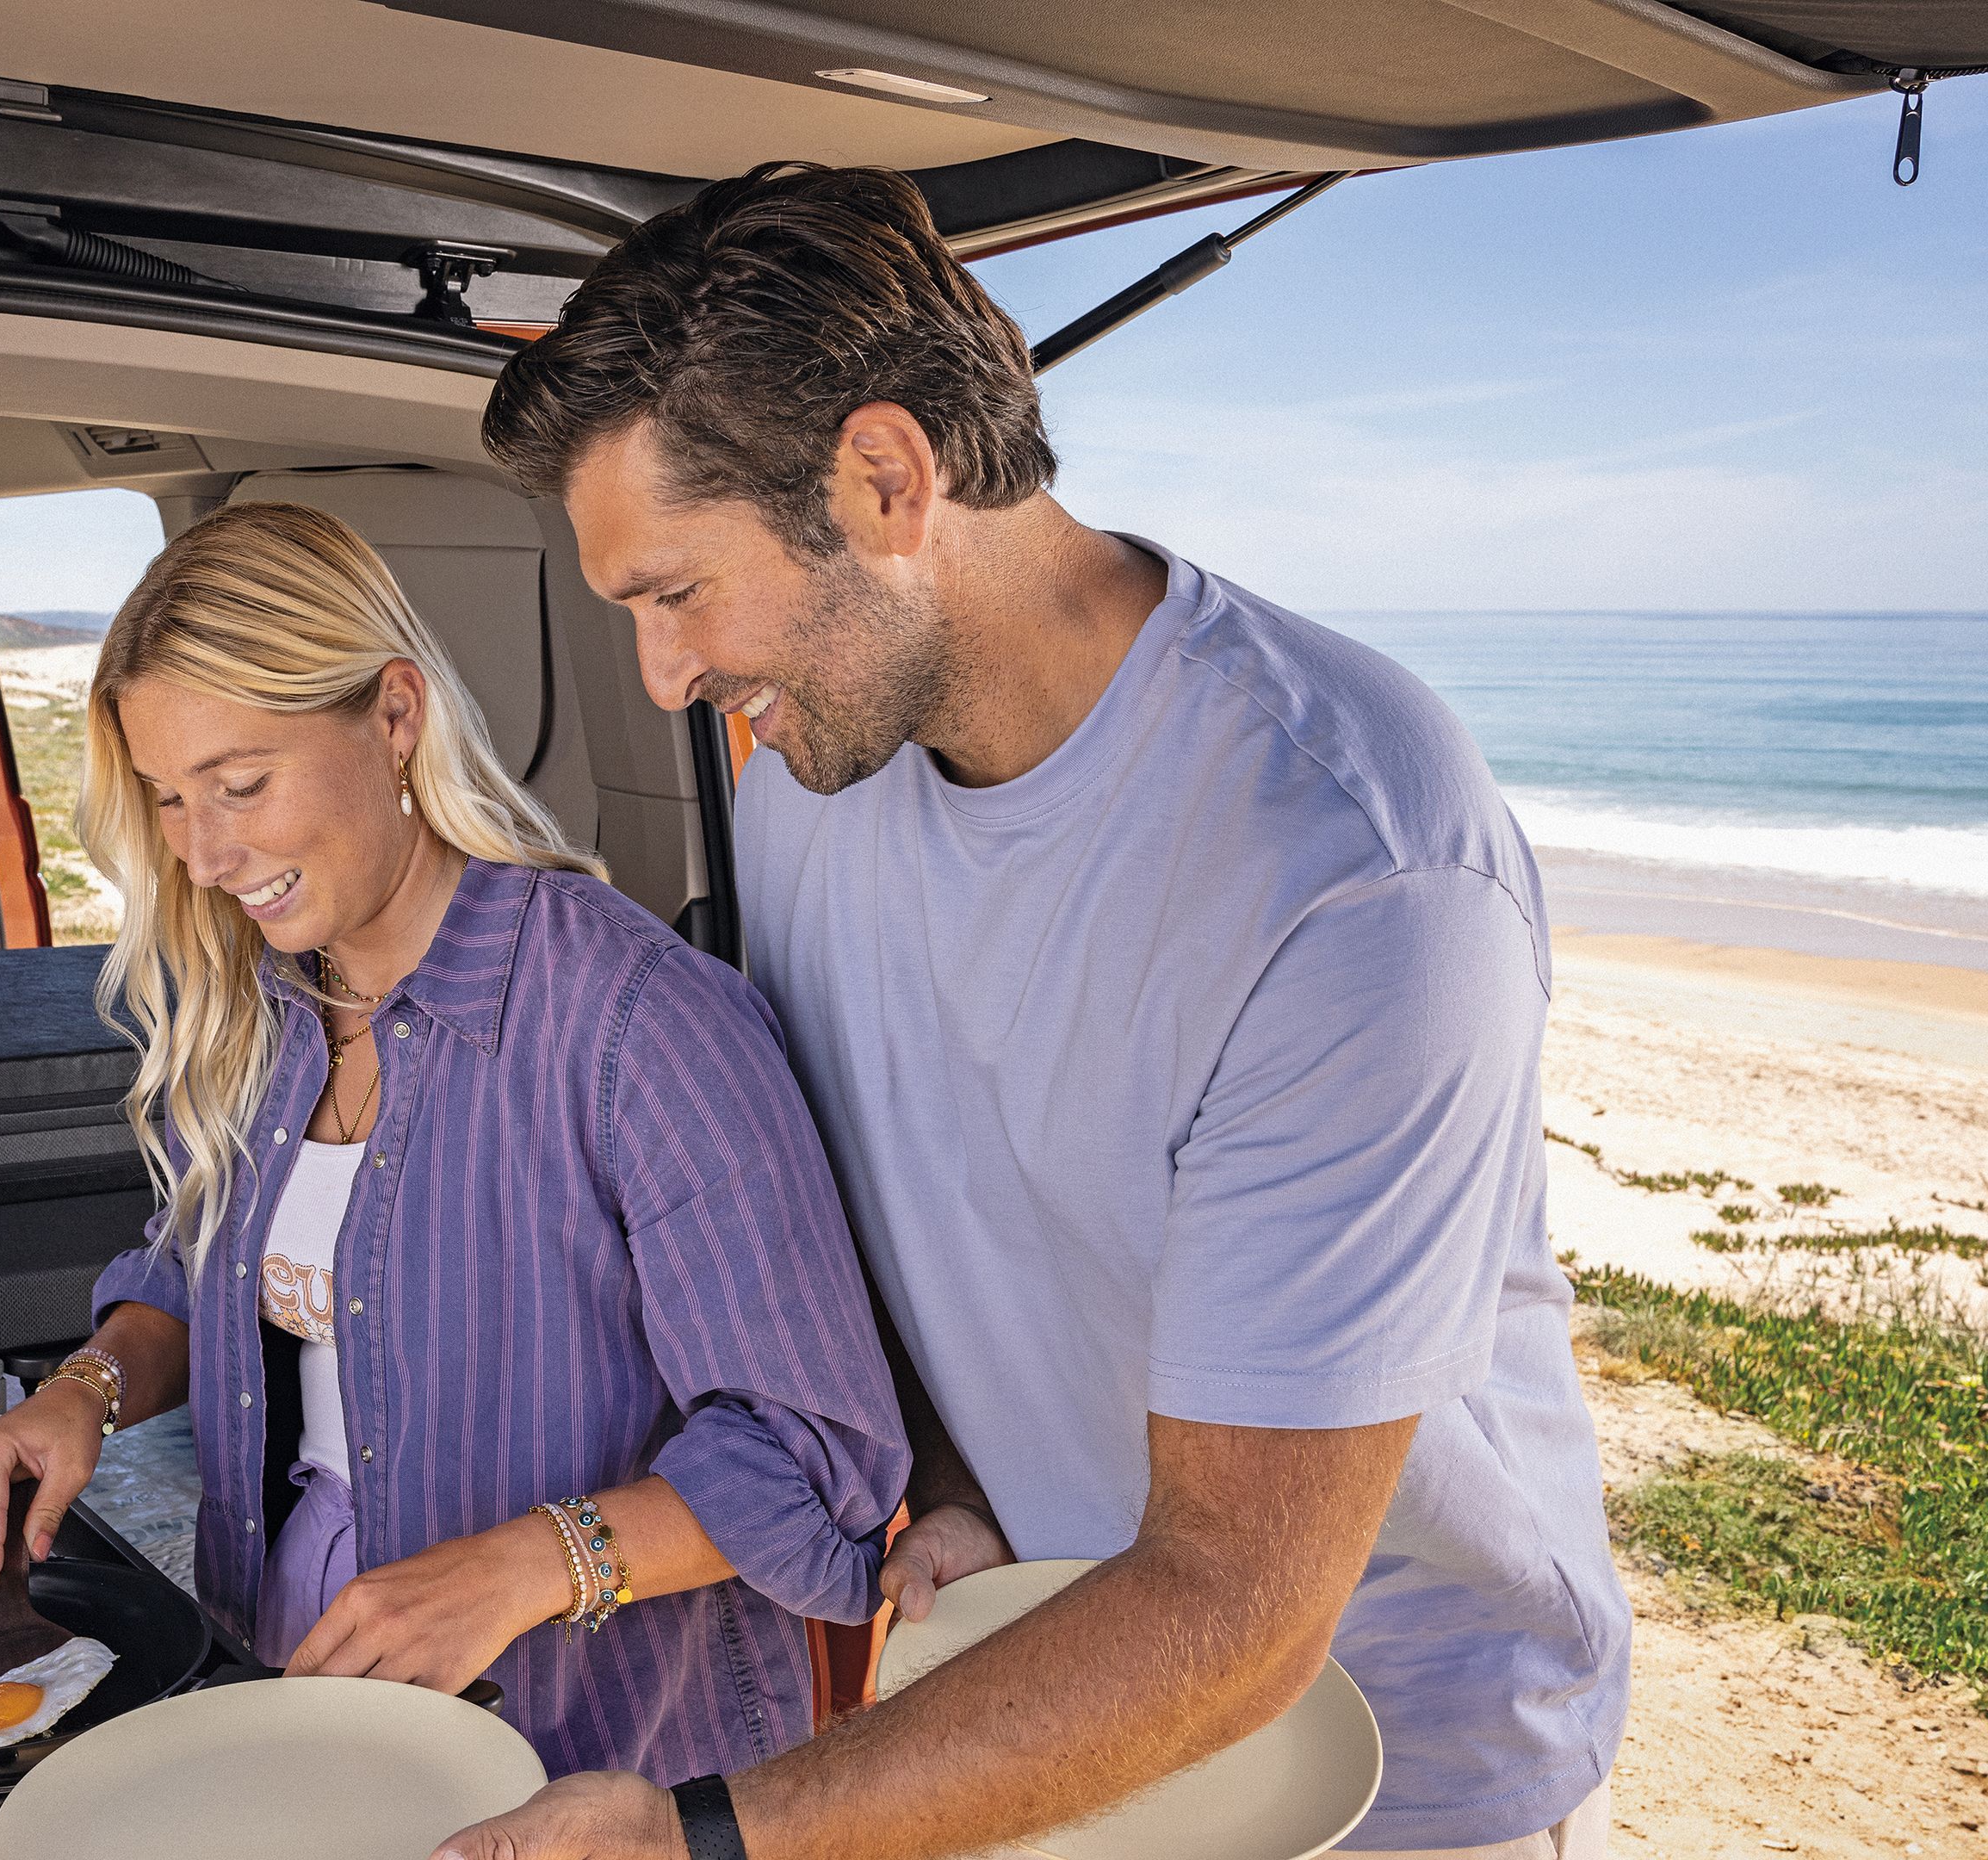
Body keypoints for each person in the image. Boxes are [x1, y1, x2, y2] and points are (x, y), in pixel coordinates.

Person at [446, 165, 1627, 1860]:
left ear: (885, 479)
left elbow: (1235, 1604)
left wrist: (700, 1837)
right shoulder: (810, 771)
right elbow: (885, 1194)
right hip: (1045, 1689)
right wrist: (945, 1475)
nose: (661, 675)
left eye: (674, 591)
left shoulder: (1346, 869)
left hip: (1385, 1780)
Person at [0, 499, 907, 1783]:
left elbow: (814, 1455)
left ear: (395, 716)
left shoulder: (637, 1025)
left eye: (241, 785)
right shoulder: (258, 1003)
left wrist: (523, 1568)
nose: (208, 853)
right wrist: (86, 1393)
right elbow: (199, 1271)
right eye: (171, 801)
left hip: (593, 1751)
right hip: (293, 1670)